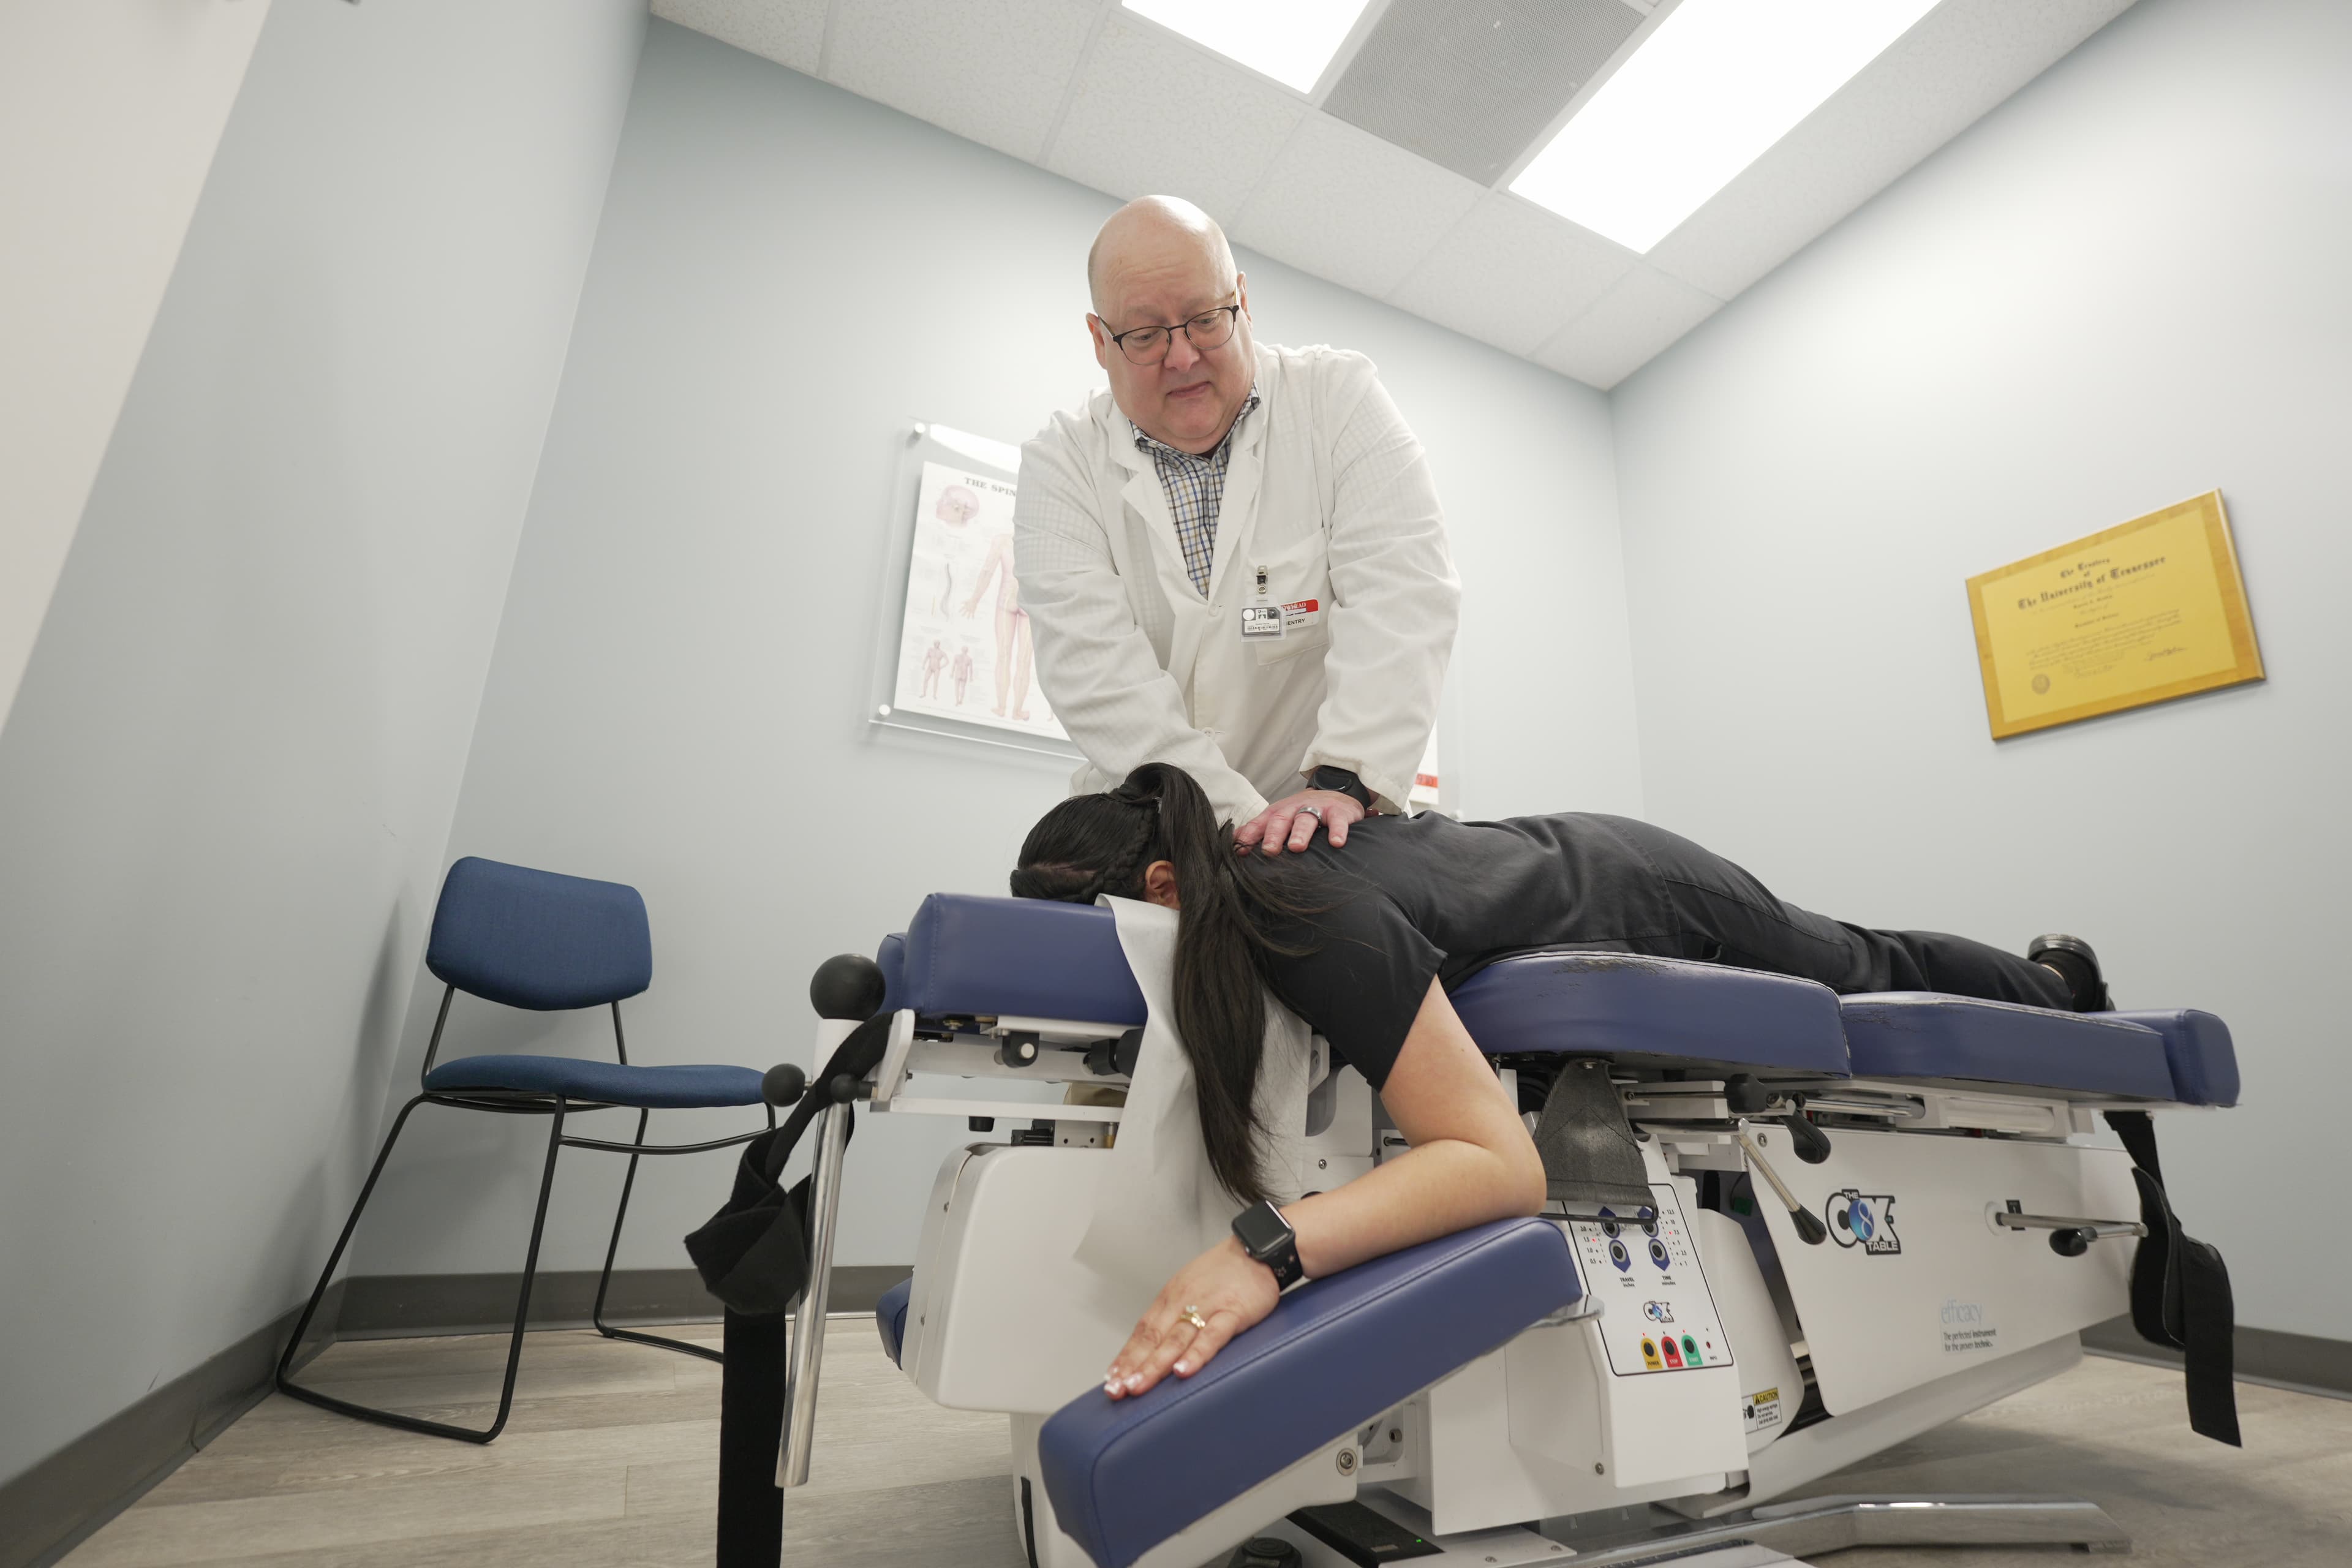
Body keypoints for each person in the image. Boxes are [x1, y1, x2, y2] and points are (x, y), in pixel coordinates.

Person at [1009, 763, 2113, 1401]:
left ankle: (2057, 983)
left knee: (1863, 965)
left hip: (1636, 886)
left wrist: (1266, 1250)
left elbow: (1498, 1166)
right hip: (1558, 870)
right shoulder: (1247, 911)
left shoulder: (1290, 912)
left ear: (1161, 886)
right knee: (1858, 955)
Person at [1015, 195, 1459, 860]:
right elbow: (1100, 680)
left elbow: (1402, 595)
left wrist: (1340, 784)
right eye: (1144, 335)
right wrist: (1251, 827)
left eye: (1205, 319)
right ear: (1100, 341)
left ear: (1243, 302)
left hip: (1335, 816)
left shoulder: (1338, 401)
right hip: (1153, 833)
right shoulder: (1063, 466)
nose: (1184, 356)